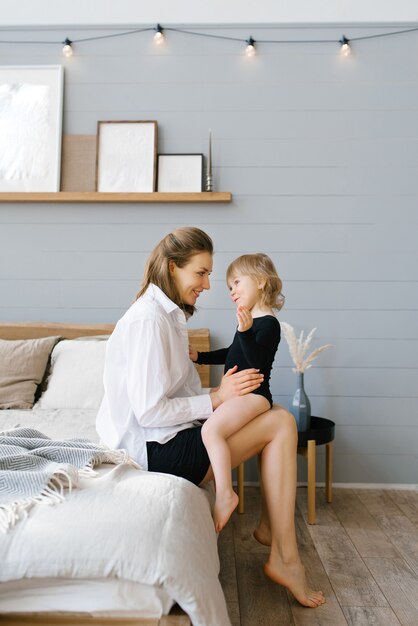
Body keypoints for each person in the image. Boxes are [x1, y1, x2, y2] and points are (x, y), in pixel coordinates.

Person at [96, 226, 325, 608]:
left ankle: (277, 540)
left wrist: (217, 398)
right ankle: (285, 555)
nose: (207, 284)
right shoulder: (149, 320)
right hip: (157, 449)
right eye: (200, 273)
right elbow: (150, 410)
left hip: (171, 434)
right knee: (282, 422)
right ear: (173, 268)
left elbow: (178, 396)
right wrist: (218, 396)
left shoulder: (171, 317)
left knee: (280, 416)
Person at [189, 253, 283, 532]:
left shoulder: (268, 323)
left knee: (210, 432)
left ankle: (225, 494)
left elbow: (256, 362)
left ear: (262, 282)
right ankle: (222, 489)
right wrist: (201, 357)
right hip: (240, 395)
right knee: (208, 429)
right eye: (230, 286)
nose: (232, 291)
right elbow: (233, 354)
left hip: (255, 396)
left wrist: (245, 332)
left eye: (237, 283)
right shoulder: (250, 321)